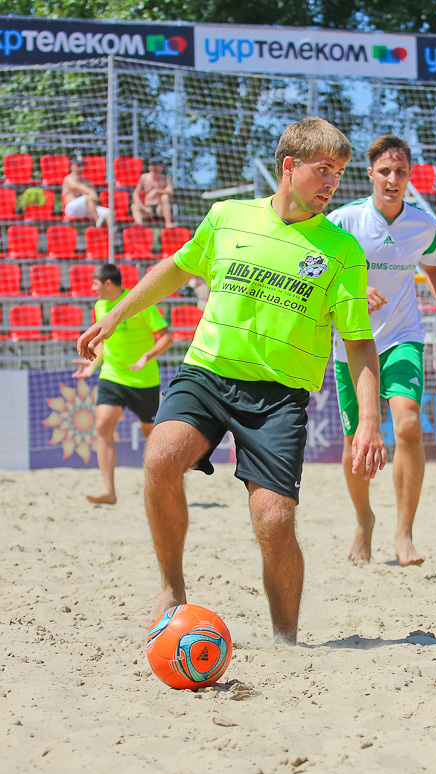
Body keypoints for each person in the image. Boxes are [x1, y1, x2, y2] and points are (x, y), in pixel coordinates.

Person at [77, 117, 386, 645]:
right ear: (288, 166)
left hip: (278, 396)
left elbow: (358, 343)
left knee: (274, 520)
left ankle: (286, 640)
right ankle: (172, 589)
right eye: (324, 169)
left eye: (339, 172)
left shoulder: (342, 250)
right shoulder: (227, 217)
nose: (333, 182)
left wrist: (370, 422)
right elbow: (177, 268)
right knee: (160, 457)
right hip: (207, 373)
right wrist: (117, 315)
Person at [328, 133, 436, 565]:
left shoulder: (423, 224)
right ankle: (364, 519)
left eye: (401, 171)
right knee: (355, 442)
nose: (393, 179)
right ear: (370, 173)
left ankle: (404, 533)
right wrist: (355, 291)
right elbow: (317, 274)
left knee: (407, 425)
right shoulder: (343, 221)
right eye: (385, 171)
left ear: (409, 176)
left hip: (402, 336)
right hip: (352, 341)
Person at [73, 263, 173, 505]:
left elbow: (167, 338)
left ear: (108, 284)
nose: (92, 288)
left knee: (151, 435)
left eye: (95, 283)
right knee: (103, 425)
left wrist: (147, 355)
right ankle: (109, 491)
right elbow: (103, 341)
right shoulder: (99, 306)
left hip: (144, 379)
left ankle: (163, 488)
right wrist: (92, 365)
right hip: (112, 375)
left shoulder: (139, 303)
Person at [62, 157, 110, 226]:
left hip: (86, 209)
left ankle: (108, 231)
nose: (80, 168)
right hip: (71, 210)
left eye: (82, 165)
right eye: (78, 165)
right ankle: (98, 222)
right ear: (71, 166)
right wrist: (91, 192)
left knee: (109, 213)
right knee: (88, 197)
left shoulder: (87, 182)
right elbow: (79, 187)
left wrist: (92, 194)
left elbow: (94, 198)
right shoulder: (68, 179)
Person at [131, 158, 174, 228]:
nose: (154, 168)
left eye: (156, 165)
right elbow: (135, 193)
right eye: (152, 165)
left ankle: (168, 223)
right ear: (149, 167)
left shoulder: (166, 178)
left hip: (160, 209)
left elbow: (170, 191)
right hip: (148, 209)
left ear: (161, 167)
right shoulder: (144, 177)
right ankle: (139, 225)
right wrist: (138, 203)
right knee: (134, 206)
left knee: (165, 197)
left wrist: (156, 191)